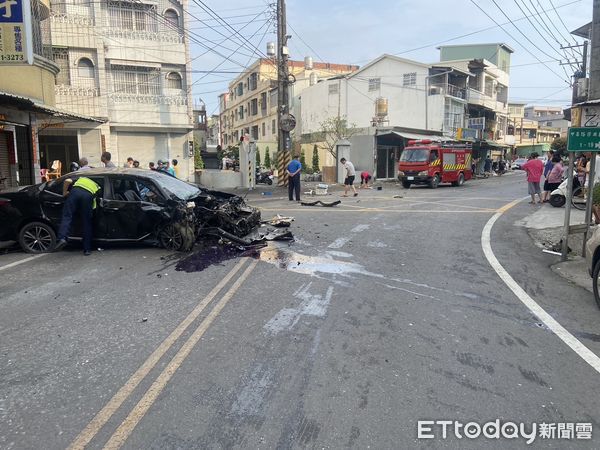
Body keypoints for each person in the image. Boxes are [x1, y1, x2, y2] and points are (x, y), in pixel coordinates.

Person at [55, 176, 101, 256]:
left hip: (75, 193)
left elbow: (67, 180)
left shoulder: (81, 178)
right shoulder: (98, 186)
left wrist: (65, 192)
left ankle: (62, 238)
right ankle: (87, 250)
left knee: (67, 216)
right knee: (87, 224)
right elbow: (94, 202)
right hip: (88, 196)